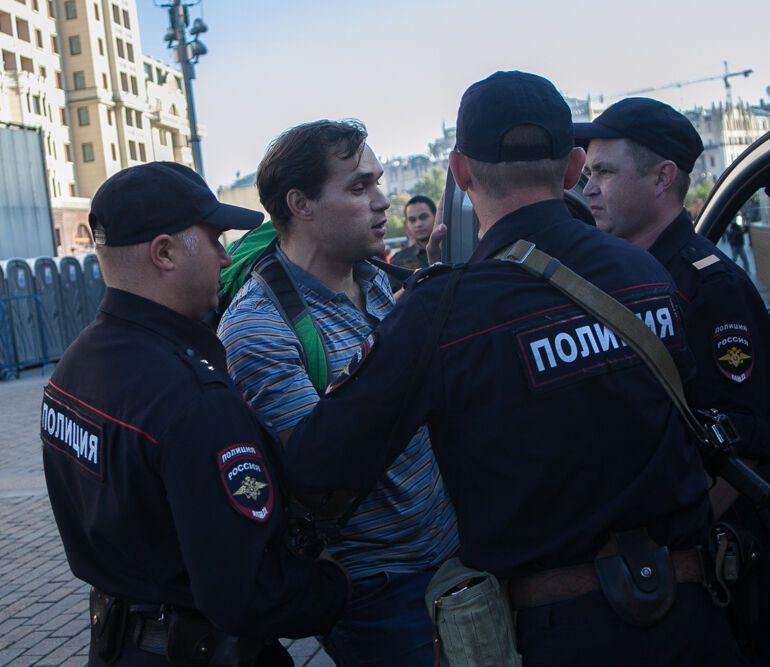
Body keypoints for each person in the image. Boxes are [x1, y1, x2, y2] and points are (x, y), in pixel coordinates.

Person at [280, 71, 746, 665]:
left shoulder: (441, 311)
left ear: (459, 171)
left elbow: (320, 462)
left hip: (560, 633)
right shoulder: (649, 273)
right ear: (574, 167)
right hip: (694, 614)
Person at [40, 162, 349, 666]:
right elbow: (245, 593)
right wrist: (334, 584)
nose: (226, 258)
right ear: (164, 252)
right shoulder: (192, 399)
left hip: (120, 645)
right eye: (213, 240)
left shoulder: (74, 367)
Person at [218, 120, 458, 667]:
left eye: (378, 182)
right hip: (379, 588)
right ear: (300, 204)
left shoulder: (375, 277)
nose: (382, 201)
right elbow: (318, 464)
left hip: (451, 549)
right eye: (358, 188)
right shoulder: (258, 325)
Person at [575, 97, 770, 666]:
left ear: (663, 177)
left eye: (606, 173)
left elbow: (747, 443)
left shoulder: (707, 287)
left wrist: (677, 551)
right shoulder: (630, 278)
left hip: (705, 563)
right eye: (588, 174)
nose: (589, 189)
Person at [387, 195, 436, 293]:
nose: (418, 224)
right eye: (412, 220)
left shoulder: (452, 249)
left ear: (436, 216)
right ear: (407, 224)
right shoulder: (398, 261)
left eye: (424, 217)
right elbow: (390, 302)